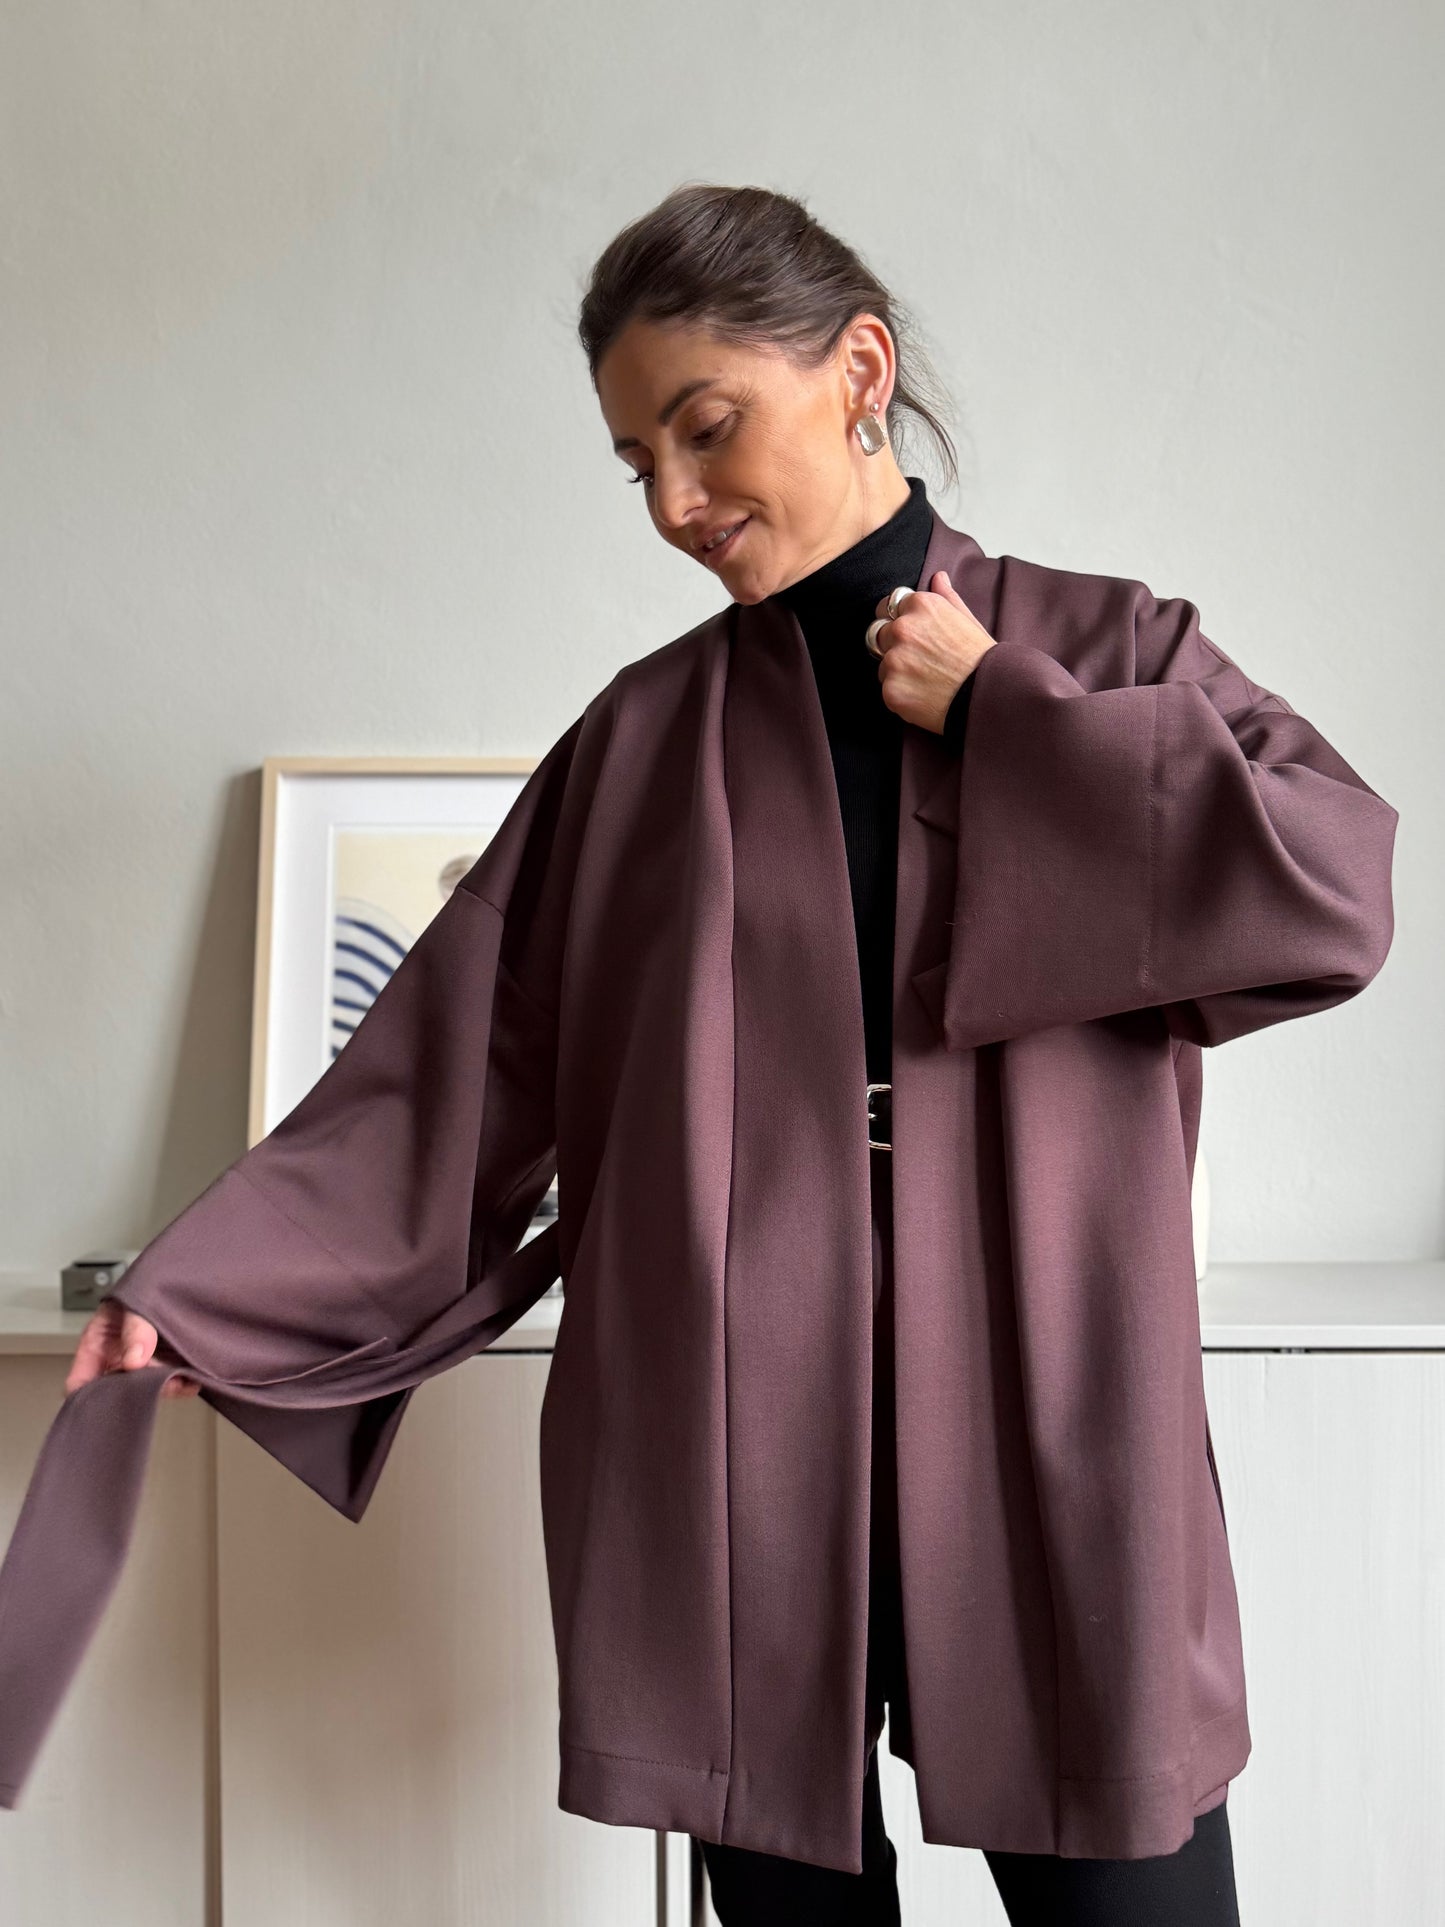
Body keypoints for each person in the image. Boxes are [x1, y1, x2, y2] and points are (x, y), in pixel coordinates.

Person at [61, 182, 1261, 1924]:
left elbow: (1318, 890)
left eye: (706, 429)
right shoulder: (639, 743)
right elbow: (454, 1072)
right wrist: (203, 1291)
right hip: (728, 1422)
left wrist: (1007, 712)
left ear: (860, 372)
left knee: (1131, 1891)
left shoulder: (1107, 649)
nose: (677, 504)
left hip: (1046, 1393)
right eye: (638, 464)